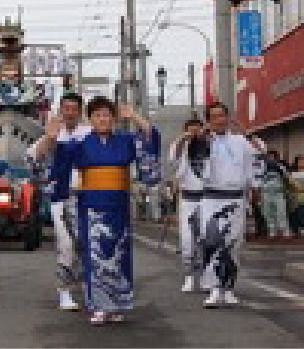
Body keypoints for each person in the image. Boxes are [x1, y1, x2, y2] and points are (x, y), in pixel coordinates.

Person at [63, 97, 160, 325]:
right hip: (92, 207)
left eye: (107, 115)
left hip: (118, 206)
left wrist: (135, 116)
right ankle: (98, 305)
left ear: (114, 118)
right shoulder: (82, 143)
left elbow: (149, 137)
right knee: (96, 257)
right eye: (97, 115)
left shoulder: (125, 141)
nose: (102, 119)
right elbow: (61, 161)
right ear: (90, 119)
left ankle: (117, 306)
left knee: (119, 255)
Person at [27, 92, 93, 311]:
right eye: (66, 108)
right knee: (66, 244)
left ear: (80, 112)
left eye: (74, 109)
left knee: (88, 243)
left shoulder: (90, 133)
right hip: (62, 197)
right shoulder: (53, 134)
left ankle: (89, 286)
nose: (70, 113)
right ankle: (64, 291)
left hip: (89, 197)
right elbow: (35, 159)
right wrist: (49, 136)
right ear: (60, 110)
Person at [200, 102, 261, 307]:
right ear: (208, 120)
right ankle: (214, 290)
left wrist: (255, 188)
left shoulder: (240, 141)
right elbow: (195, 163)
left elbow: (255, 160)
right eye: (214, 116)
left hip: (235, 197)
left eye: (222, 116)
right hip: (211, 198)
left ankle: (229, 288)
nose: (219, 120)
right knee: (212, 242)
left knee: (233, 243)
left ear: (228, 118)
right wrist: (202, 138)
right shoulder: (203, 141)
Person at [169, 118, 209, 293]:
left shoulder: (210, 145)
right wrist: (183, 138)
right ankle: (189, 276)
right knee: (187, 241)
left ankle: (208, 276)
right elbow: (174, 157)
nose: (195, 132)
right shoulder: (182, 147)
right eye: (190, 129)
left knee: (208, 240)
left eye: (197, 129)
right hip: (188, 200)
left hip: (209, 199)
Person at [261, 150, 291, 238]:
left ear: (276, 158)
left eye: (273, 157)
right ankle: (272, 229)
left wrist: (279, 168)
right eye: (269, 157)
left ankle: (285, 229)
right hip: (266, 193)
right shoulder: (263, 168)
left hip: (278, 193)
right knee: (268, 212)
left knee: (281, 211)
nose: (271, 159)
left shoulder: (281, 167)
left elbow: (287, 176)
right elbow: (259, 180)